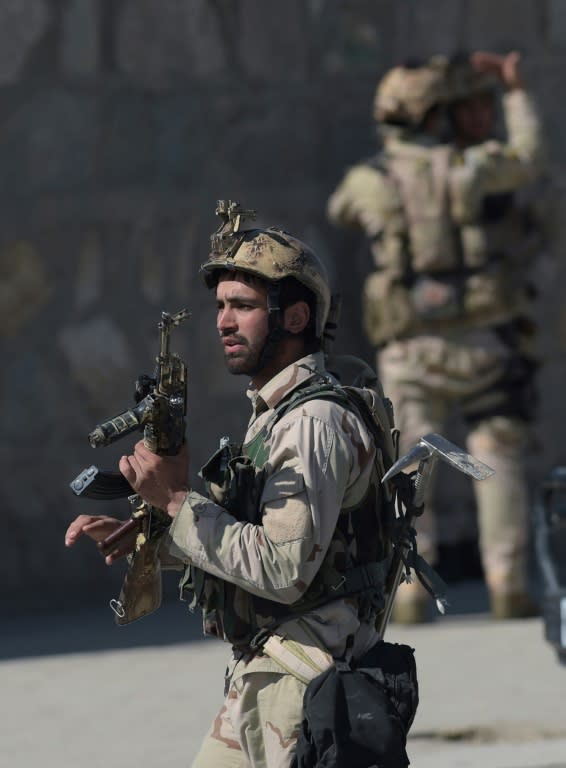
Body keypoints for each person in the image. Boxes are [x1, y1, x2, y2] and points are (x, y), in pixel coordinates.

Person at [65, 201, 411, 767]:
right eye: (221, 306)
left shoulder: (311, 422)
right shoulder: (278, 413)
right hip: (270, 673)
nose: (223, 321)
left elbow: (281, 567)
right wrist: (159, 535)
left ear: (295, 317)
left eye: (243, 306)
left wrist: (176, 501)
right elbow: (273, 540)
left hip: (301, 682)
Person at [326, 51, 544, 623]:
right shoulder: (472, 167)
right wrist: (516, 93)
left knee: (410, 467)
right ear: (433, 115)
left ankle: (410, 593)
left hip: (410, 348)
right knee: (496, 460)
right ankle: (508, 584)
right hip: (482, 342)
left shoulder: (366, 180)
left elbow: (343, 210)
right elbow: (527, 158)